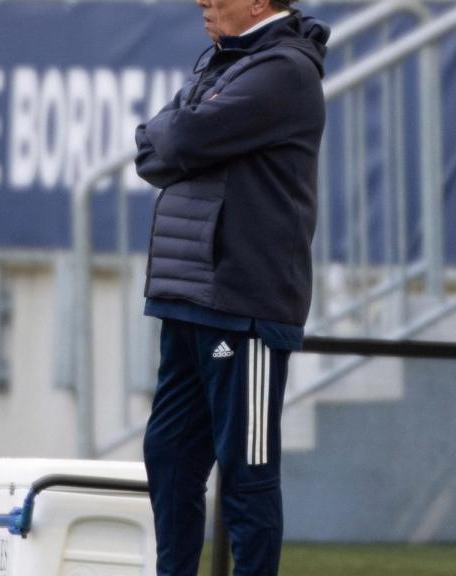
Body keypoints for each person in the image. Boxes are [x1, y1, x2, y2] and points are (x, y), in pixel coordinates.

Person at [134, 0, 328, 574]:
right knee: (168, 456)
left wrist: (177, 137)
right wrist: (175, 138)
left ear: (260, 3)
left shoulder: (284, 71)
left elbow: (181, 139)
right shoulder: (223, 62)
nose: (203, 1)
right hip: (187, 292)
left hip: (243, 306)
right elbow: (151, 150)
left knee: (247, 473)